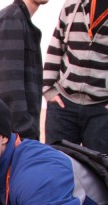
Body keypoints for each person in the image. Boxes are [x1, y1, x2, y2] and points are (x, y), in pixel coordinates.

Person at [43, 0, 108, 153]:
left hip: (101, 110)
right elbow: (56, 46)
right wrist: (48, 90)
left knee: (100, 171)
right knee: (56, 167)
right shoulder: (72, 5)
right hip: (63, 106)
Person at [0, 0, 48, 140]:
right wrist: (25, 135)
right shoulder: (11, 18)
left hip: (14, 137)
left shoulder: (21, 20)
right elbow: (7, 88)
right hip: (11, 137)